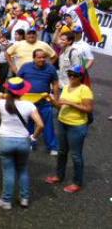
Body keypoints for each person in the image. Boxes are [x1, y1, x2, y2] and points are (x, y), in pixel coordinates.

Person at [0, 77, 44, 210]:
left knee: (8, 171)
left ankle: (6, 201)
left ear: (8, 90)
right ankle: (24, 199)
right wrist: (33, 138)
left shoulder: (0, 103)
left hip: (4, 140)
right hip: (23, 141)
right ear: (23, 91)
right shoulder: (29, 105)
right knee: (23, 169)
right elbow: (40, 125)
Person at [45, 65, 94, 193]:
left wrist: (70, 103)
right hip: (62, 122)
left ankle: (77, 182)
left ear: (81, 77)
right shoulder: (66, 87)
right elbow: (60, 106)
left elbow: (89, 109)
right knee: (61, 152)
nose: (71, 77)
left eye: (75, 75)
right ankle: (59, 176)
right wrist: (51, 100)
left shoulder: (84, 89)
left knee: (76, 155)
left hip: (77, 126)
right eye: (70, 74)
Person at [18, 50, 60, 155]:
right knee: (29, 124)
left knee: (48, 124)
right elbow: (18, 81)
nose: (42, 59)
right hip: (28, 102)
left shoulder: (51, 68)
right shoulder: (25, 67)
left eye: (43, 57)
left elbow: (55, 83)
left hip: (44, 102)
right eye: (39, 57)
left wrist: (55, 98)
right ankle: (30, 143)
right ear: (34, 58)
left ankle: (52, 146)